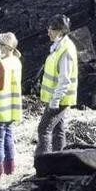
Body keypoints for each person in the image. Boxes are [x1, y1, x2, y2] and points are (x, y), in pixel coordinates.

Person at [34, 14, 78, 158]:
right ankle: (59, 161)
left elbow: (65, 80)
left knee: (43, 130)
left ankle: (42, 163)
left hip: (59, 99)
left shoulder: (65, 50)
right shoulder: (59, 46)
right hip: (58, 98)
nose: (48, 32)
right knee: (58, 129)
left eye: (51, 29)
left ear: (60, 31)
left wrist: (55, 100)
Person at [0, 32, 22, 179]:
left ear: (6, 48)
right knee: (8, 138)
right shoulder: (16, 62)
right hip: (11, 109)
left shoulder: (1, 65)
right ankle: (10, 170)